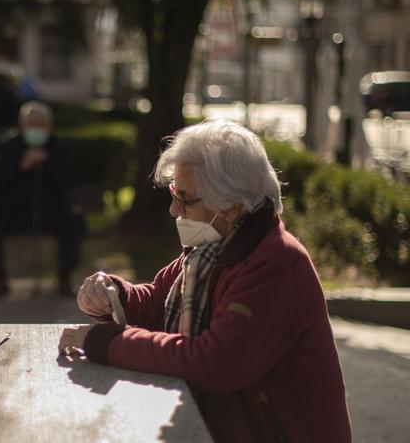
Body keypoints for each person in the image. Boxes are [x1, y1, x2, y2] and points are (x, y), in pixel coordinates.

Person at [59, 120, 351, 442]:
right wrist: (116, 295)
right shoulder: (215, 247)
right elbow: (159, 298)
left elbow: (214, 363)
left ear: (231, 206)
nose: (173, 210)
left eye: (185, 198)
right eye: (174, 193)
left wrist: (106, 341)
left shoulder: (275, 264)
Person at [0, 101, 85, 299]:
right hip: (14, 210)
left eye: (41, 124)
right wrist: (21, 165)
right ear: (22, 126)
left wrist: (48, 163)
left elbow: (68, 180)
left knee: (74, 222)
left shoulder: (59, 147)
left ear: (49, 126)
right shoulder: (8, 146)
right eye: (32, 124)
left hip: (51, 211)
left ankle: (64, 278)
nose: (36, 129)